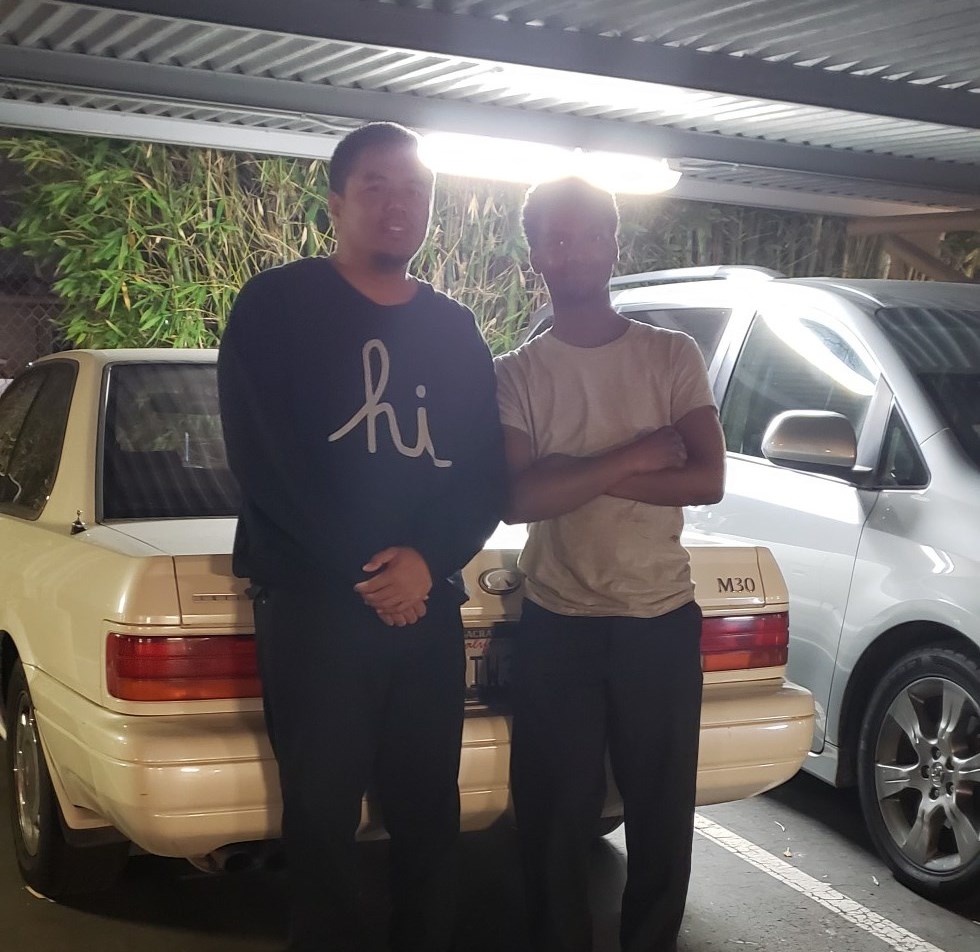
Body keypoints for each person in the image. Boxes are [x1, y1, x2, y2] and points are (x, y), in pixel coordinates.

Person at [218, 121, 503, 952]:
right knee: (321, 814)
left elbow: (483, 470)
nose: (397, 202)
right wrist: (372, 571)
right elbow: (265, 457)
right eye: (376, 185)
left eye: (414, 189)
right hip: (315, 606)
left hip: (425, 605)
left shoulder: (454, 329)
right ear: (337, 202)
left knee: (429, 808)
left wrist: (427, 563)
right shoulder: (278, 306)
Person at [494, 177, 726, 952]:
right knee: (552, 821)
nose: (575, 251)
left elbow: (707, 478)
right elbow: (519, 499)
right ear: (536, 255)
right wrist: (633, 456)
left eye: (591, 234)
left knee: (661, 817)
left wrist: (573, 472)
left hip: (659, 621)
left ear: (613, 246)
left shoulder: (670, 355)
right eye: (557, 239)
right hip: (558, 624)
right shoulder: (518, 372)